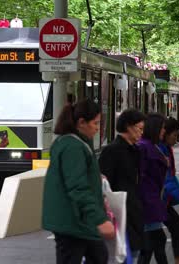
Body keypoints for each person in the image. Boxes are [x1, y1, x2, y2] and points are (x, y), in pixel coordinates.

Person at [42, 99, 115, 264]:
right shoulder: (73, 146)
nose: (98, 128)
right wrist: (100, 219)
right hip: (72, 220)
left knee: (98, 256)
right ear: (81, 122)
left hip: (77, 219)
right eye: (95, 123)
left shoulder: (74, 142)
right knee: (89, 256)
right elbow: (77, 186)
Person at [99, 109, 146, 263]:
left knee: (133, 253)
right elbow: (104, 187)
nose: (141, 133)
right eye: (139, 128)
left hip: (133, 212)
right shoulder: (112, 151)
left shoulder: (135, 150)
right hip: (118, 215)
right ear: (128, 127)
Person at [159, 117, 179, 264]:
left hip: (160, 201)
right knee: (153, 240)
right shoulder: (159, 150)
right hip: (155, 201)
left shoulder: (165, 149)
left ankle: (178, 260)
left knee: (156, 239)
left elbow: (171, 177)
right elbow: (167, 178)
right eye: (174, 135)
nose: (176, 139)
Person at [137, 113, 169, 264]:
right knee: (152, 243)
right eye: (162, 128)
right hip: (147, 203)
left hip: (152, 201)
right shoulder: (144, 147)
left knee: (155, 243)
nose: (164, 131)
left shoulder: (154, 146)